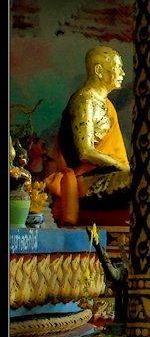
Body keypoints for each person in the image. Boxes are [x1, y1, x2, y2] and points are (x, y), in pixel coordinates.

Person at [45, 46, 131, 225]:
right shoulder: (84, 100)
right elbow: (85, 152)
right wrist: (120, 165)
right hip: (84, 177)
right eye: (118, 67)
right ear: (99, 70)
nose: (123, 73)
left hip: (105, 174)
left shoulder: (106, 105)